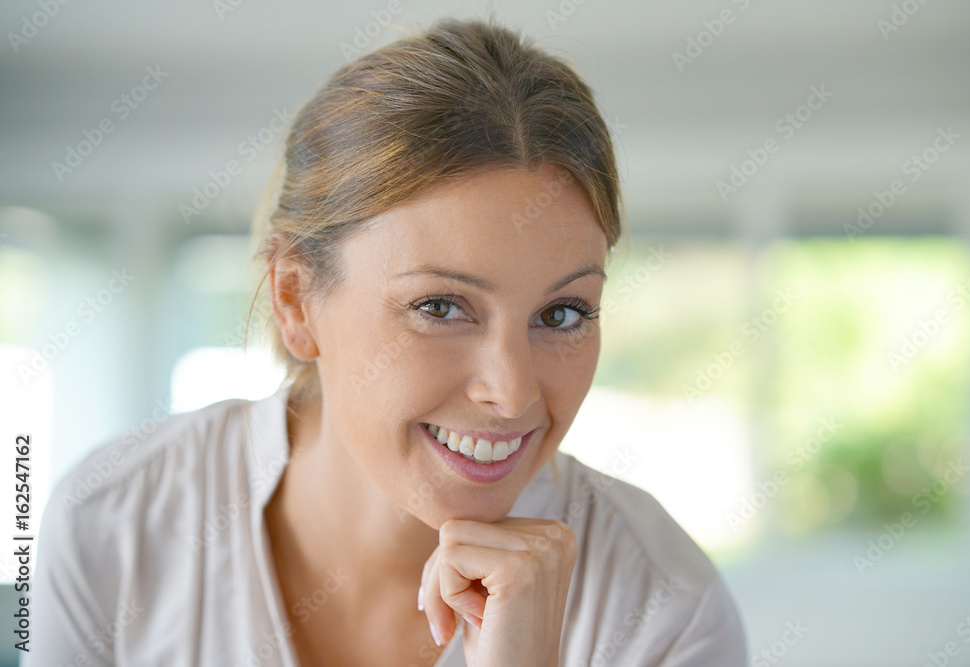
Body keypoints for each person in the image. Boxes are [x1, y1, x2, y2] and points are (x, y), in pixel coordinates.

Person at [30, 17, 748, 666]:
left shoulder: (662, 607)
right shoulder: (114, 523)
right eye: (440, 306)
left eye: (561, 314)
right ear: (295, 300)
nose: (512, 391)